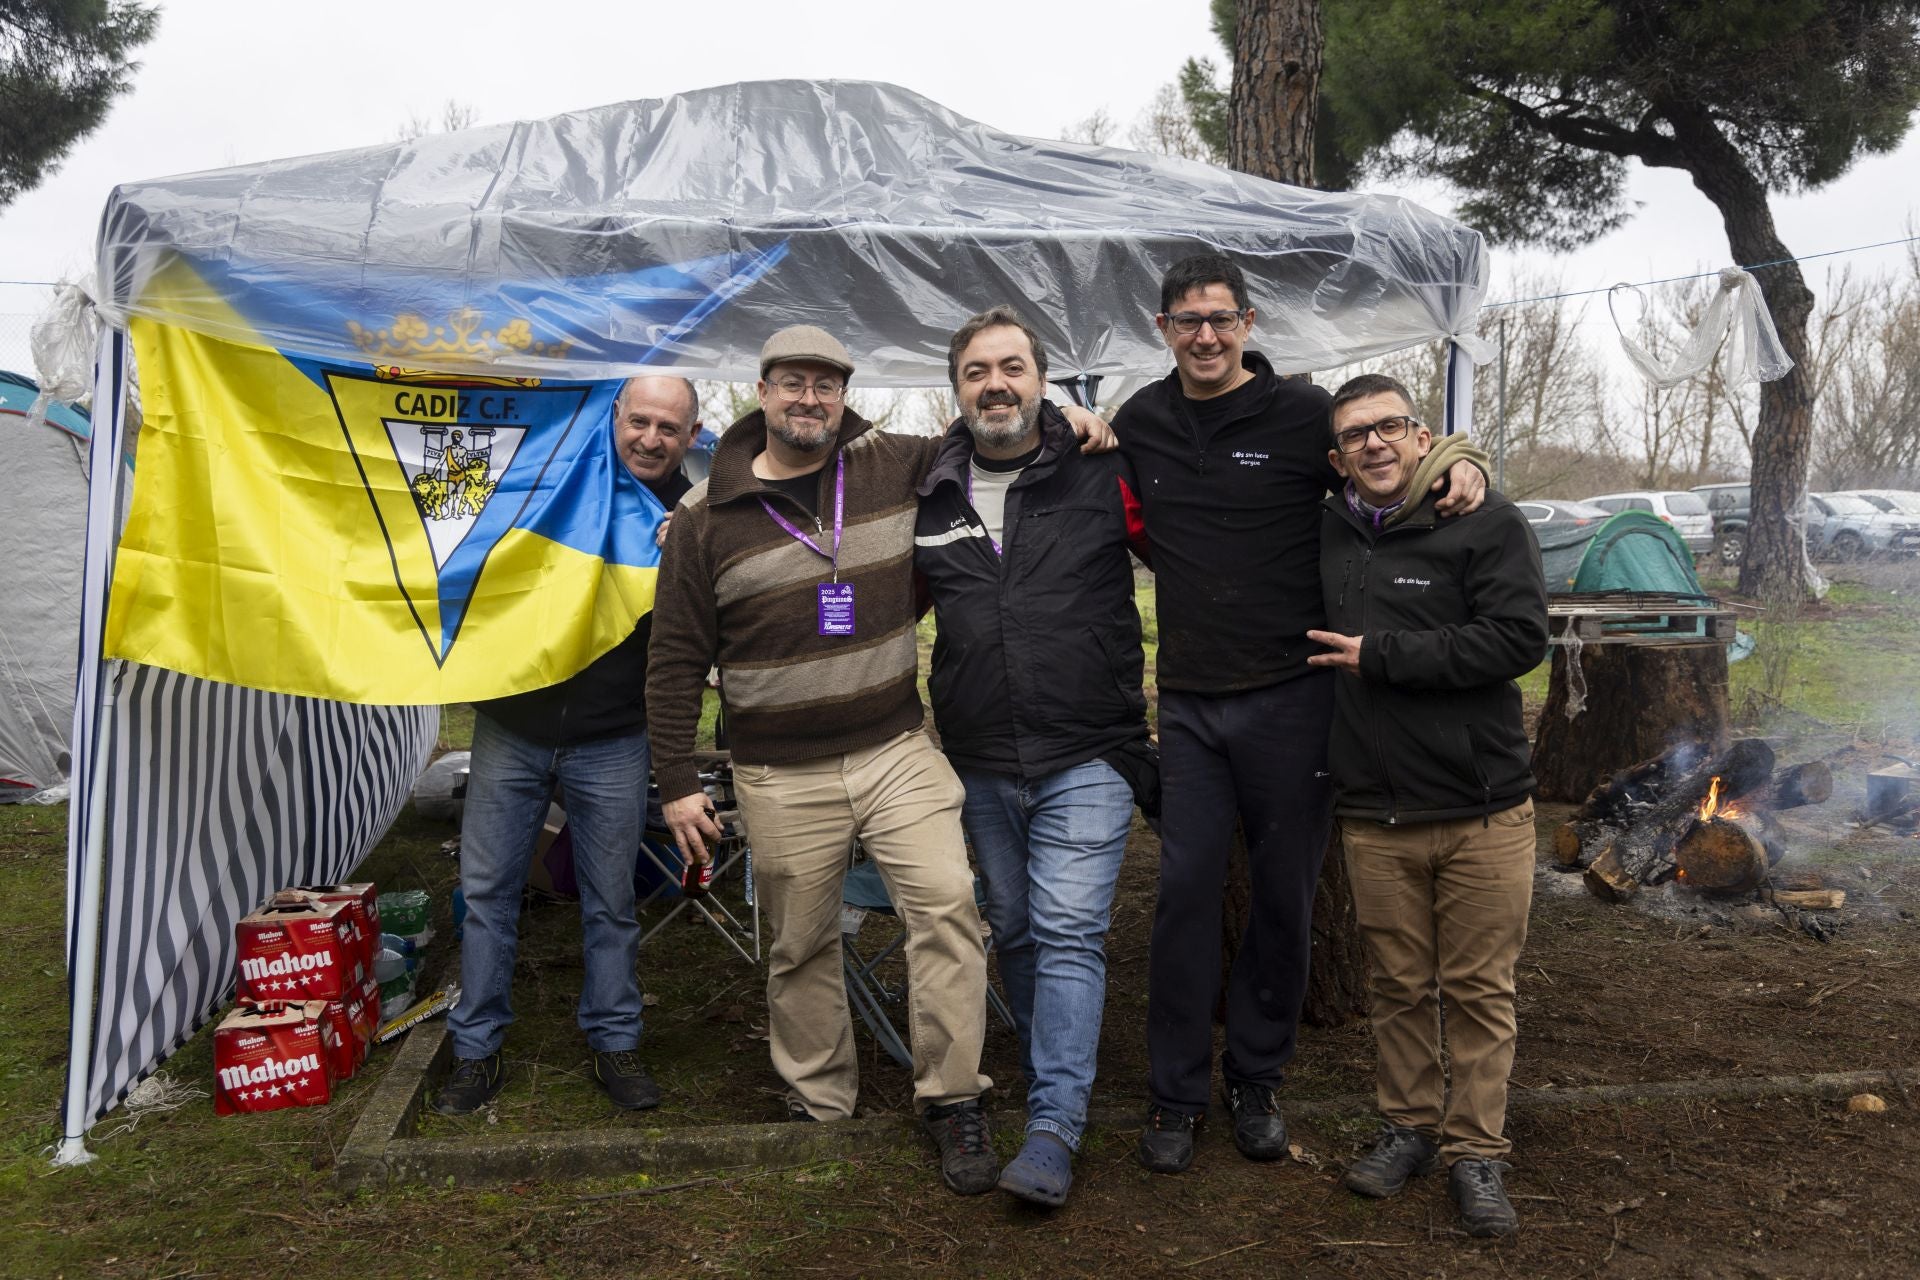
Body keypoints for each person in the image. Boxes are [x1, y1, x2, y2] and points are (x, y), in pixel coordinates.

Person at [645, 324, 1116, 1196]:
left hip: (897, 747)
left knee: (947, 908)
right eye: (792, 383)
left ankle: (952, 1098)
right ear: (761, 391)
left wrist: (1078, 417)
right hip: (779, 771)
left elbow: (1000, 420)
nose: (809, 400)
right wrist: (676, 781)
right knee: (798, 943)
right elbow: (674, 661)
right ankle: (821, 1102)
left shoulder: (896, 462)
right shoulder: (707, 516)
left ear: (845, 394)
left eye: (826, 385)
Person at [1113, 254, 1489, 1174]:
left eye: (1222, 318)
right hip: (1194, 705)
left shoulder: (1300, 416)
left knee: (1284, 899)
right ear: (1163, 327)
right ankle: (1175, 1094)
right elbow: (1085, 463)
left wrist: (1464, 460)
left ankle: (1257, 1079)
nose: (1205, 334)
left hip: (1295, 698)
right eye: (1186, 319)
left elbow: (1388, 463)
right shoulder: (1141, 421)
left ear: (1247, 323)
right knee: (1186, 895)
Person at [912, 307, 1153, 1207]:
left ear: (1043, 379)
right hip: (977, 756)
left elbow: (1210, 529)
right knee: (1010, 926)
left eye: (1012, 366)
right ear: (958, 391)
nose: (996, 383)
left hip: (1088, 749)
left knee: (1066, 933)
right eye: (977, 371)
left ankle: (1054, 1124)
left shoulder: (1103, 468)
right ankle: (1048, 1051)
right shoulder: (929, 490)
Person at [1306, 372, 1548, 1238]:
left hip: (1483, 809)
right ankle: (1406, 1127)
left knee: (1480, 990)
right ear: (1336, 458)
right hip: (1376, 813)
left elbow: (1520, 639)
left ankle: (1475, 1152)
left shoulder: (1482, 520)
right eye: (1355, 436)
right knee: (1400, 986)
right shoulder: (1330, 528)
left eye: (1390, 428)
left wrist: (1385, 656)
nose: (1374, 444)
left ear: (1422, 436)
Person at [435, 375, 704, 1116]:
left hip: (614, 736)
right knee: (487, 895)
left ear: (692, 433)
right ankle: (475, 1051)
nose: (651, 439)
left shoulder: (690, 515)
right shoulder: (543, 473)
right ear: (613, 415)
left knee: (611, 901)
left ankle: (615, 1042)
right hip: (510, 728)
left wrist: (685, 556)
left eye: (669, 428)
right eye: (639, 421)